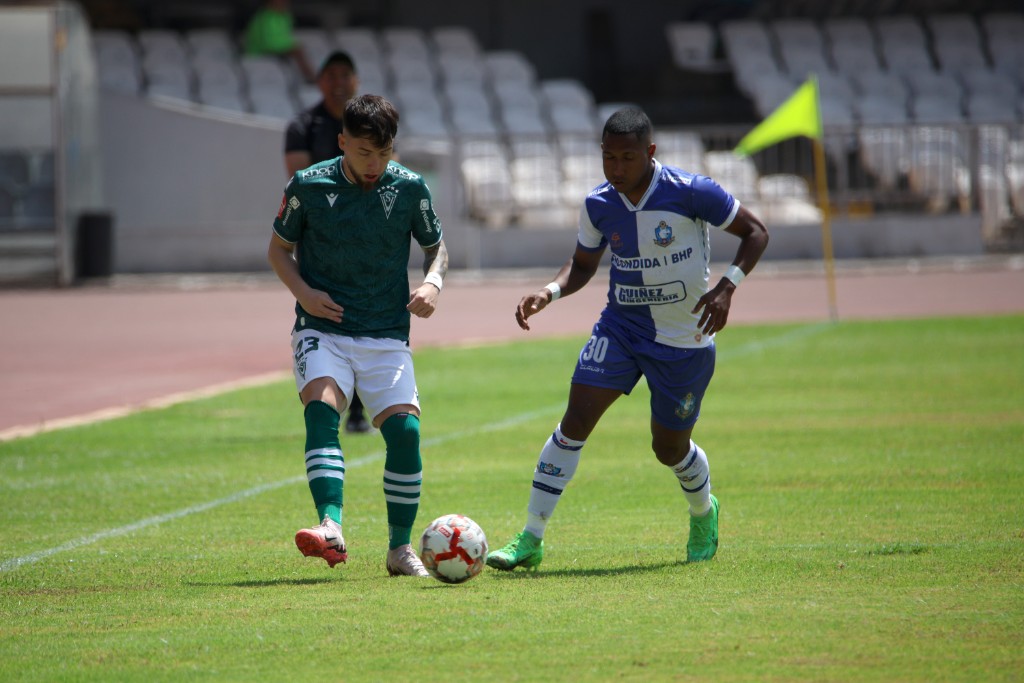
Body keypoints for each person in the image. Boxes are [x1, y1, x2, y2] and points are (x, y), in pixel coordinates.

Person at [486, 107, 769, 571]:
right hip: (621, 327)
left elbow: (756, 232)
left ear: (650, 153)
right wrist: (549, 292)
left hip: (685, 338)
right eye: (608, 157)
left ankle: (703, 512)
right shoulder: (598, 203)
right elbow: (582, 266)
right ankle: (530, 538)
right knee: (575, 419)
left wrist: (727, 286)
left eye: (627, 158)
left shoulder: (693, 192)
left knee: (668, 449)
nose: (616, 168)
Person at [267, 94, 449, 577]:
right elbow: (279, 250)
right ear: (343, 141)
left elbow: (437, 249)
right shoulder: (307, 185)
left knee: (405, 435)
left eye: (384, 153)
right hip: (323, 328)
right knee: (323, 411)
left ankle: (398, 549)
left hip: (386, 332)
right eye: (365, 152)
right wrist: (304, 293)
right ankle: (330, 527)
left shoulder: (410, 187)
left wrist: (432, 283)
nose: (375, 164)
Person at [284, 49, 372, 433]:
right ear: (320, 82)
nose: (338, 83)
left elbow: (386, 170)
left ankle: (357, 408)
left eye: (344, 75)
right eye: (330, 75)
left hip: (367, 237)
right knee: (325, 310)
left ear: (355, 81)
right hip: (319, 239)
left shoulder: (371, 124)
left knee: (367, 313)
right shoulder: (303, 126)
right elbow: (299, 182)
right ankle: (324, 395)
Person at [244, 0, 316, 82]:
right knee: (297, 51)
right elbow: (268, 42)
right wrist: (291, 47)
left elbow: (286, 36)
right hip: (259, 51)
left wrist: (291, 46)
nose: (284, 3)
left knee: (299, 49)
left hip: (276, 48)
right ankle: (311, 79)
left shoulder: (285, 16)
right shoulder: (264, 17)